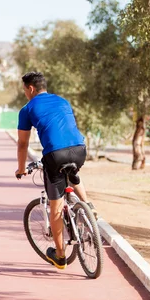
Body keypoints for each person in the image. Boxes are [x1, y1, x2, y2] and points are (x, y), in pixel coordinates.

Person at [15, 71, 96, 270]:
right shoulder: (62, 101)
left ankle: (60, 256)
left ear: (31, 88)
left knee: (56, 207)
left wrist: (21, 168)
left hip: (54, 155)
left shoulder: (27, 109)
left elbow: (22, 144)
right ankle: (88, 206)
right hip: (79, 150)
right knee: (72, 172)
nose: (25, 93)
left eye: (25, 90)